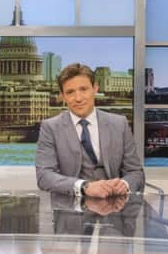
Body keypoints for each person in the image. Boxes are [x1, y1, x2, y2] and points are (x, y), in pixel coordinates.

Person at [36, 63, 144, 198]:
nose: (78, 98)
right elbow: (44, 176)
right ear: (62, 96)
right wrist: (84, 187)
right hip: (71, 211)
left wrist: (124, 184)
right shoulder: (50, 127)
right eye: (70, 92)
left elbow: (136, 172)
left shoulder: (119, 123)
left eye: (83, 89)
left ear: (95, 88)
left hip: (115, 208)